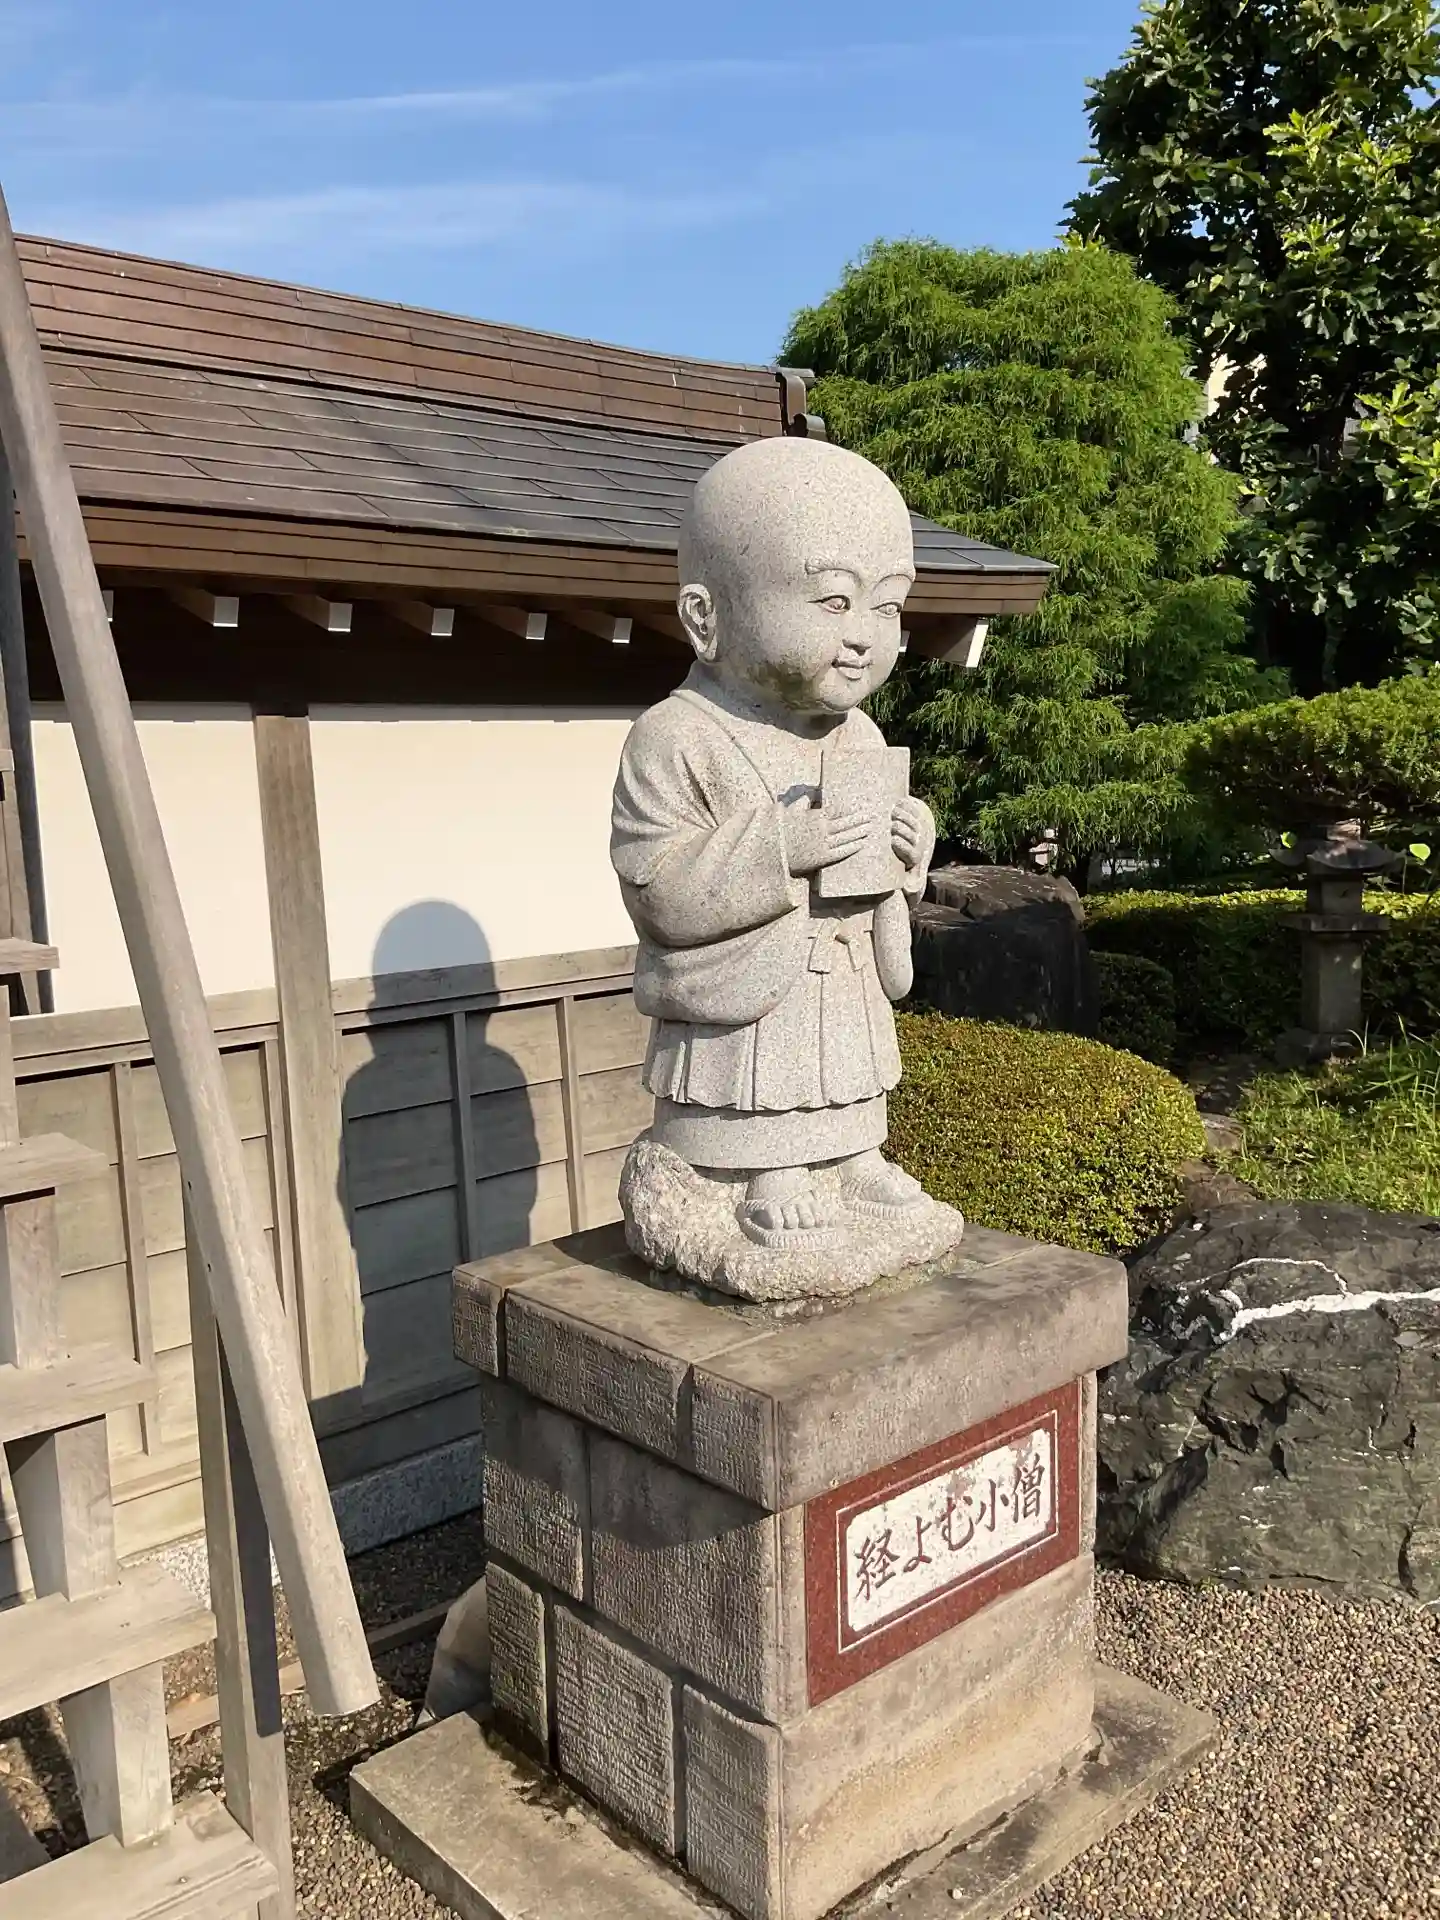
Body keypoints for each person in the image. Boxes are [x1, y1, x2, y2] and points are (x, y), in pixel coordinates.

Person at [611, 435, 938, 1249]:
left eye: (886, 606)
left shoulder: (861, 734)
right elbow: (657, 886)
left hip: (845, 962)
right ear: (706, 617)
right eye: (832, 601)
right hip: (746, 983)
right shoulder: (676, 737)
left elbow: (886, 871)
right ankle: (767, 1166)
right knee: (766, 1060)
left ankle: (851, 1151)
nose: (863, 635)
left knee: (845, 1053)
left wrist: (909, 853)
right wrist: (781, 848)